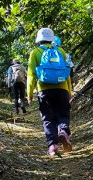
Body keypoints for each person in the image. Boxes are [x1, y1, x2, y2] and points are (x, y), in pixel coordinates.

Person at [27, 28, 72, 157]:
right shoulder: (61, 51)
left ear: (38, 40)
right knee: (63, 114)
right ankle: (63, 131)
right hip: (62, 88)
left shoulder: (35, 52)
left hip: (44, 91)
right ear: (52, 38)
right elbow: (67, 73)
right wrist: (68, 91)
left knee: (48, 119)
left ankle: (52, 146)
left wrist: (29, 94)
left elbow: (31, 75)